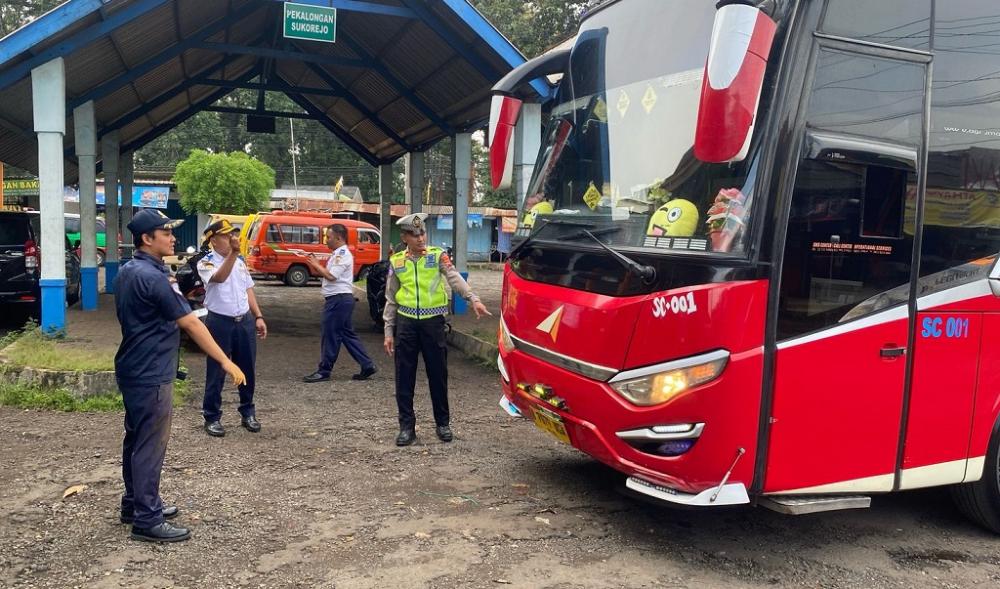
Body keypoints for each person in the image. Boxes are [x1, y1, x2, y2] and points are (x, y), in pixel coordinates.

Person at [114, 209, 246, 543]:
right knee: (149, 445)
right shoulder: (154, 276)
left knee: (136, 438)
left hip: (134, 366)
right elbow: (188, 322)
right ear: (147, 239)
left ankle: (134, 504)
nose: (173, 238)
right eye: (166, 233)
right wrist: (225, 361)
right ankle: (147, 519)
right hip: (151, 371)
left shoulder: (130, 270)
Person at [383, 213, 491, 446]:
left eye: (422, 233)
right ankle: (406, 427)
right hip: (406, 324)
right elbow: (391, 298)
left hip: (433, 324)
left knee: (438, 375)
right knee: (404, 377)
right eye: (415, 235)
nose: (421, 238)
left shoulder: (437, 255)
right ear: (404, 237)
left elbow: (454, 278)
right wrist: (388, 331)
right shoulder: (396, 262)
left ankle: (443, 423)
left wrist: (473, 298)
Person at [197, 219, 267, 437]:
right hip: (219, 322)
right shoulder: (206, 262)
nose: (232, 238)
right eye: (226, 235)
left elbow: (248, 289)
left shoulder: (239, 261)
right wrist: (234, 254)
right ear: (213, 241)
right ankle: (212, 416)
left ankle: (248, 412)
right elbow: (219, 278)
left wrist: (258, 316)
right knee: (217, 370)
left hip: (243, 321)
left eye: (232, 234)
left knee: (247, 368)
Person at [301, 223, 377, 383]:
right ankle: (367, 364)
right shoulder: (338, 254)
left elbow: (331, 276)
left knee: (330, 335)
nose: (326, 240)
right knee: (346, 334)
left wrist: (315, 264)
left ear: (338, 238)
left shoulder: (342, 254)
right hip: (340, 299)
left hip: (338, 300)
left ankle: (324, 370)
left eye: (328, 237)